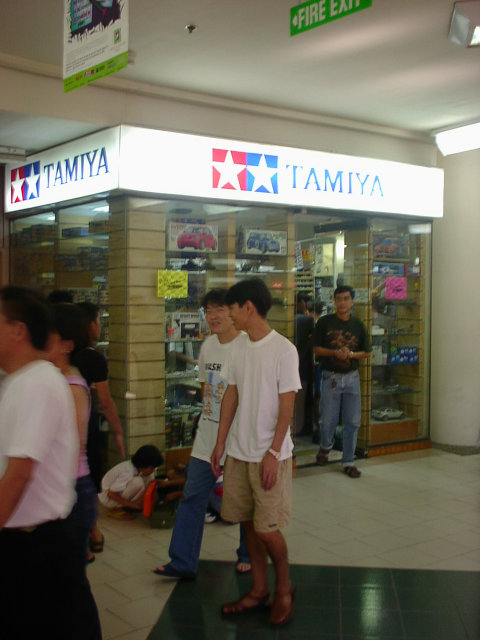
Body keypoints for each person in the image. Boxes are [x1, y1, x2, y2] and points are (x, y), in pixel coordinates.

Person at [0, 285, 102, 640]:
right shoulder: (18, 381)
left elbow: (19, 474)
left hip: (38, 541)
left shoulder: (37, 384)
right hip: (29, 537)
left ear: (18, 330)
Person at [211, 278, 301, 627]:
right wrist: (221, 442)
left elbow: (287, 405)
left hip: (269, 455)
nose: (229, 315)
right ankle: (259, 589)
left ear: (248, 308)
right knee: (248, 524)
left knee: (267, 529)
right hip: (240, 452)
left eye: (232, 309)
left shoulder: (283, 350)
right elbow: (231, 395)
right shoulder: (238, 347)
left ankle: (284, 588)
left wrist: (274, 452)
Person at [154, 288, 250, 579]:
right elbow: (206, 389)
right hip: (207, 436)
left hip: (239, 437)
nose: (213, 316)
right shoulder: (208, 345)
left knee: (243, 500)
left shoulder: (248, 346)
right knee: (192, 497)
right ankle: (182, 561)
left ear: (233, 311)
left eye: (219, 309)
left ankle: (247, 554)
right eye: (208, 311)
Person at [73, 301, 125, 550]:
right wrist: (118, 430)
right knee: (89, 476)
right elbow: (105, 401)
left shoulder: (61, 354)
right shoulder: (93, 358)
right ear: (89, 325)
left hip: (63, 425)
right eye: (97, 321)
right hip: (85, 424)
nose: (99, 326)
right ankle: (93, 531)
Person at [49, 302, 98, 564]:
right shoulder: (52, 378)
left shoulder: (72, 386)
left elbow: (75, 446)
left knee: (70, 574)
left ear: (66, 345)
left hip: (72, 486)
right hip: (62, 484)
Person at [313, 285, 371, 477]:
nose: (342, 302)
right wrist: (334, 353)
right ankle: (326, 446)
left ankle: (348, 461)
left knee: (352, 421)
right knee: (327, 421)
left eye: (346, 298)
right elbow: (316, 349)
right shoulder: (324, 322)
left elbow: (366, 352)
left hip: (352, 378)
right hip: (330, 377)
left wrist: (351, 354)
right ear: (334, 301)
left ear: (352, 302)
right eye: (339, 299)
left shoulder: (358, 325)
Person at [98, 444, 163, 519]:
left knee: (149, 477)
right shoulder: (127, 471)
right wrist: (131, 504)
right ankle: (116, 510)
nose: (153, 470)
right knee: (138, 482)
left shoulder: (138, 468)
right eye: (151, 468)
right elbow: (111, 494)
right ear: (143, 464)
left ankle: (128, 506)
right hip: (107, 498)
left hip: (114, 494)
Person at [293, 294, 314, 435]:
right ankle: (299, 428)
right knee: (301, 400)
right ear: (300, 303)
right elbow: (312, 342)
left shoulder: (288, 319)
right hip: (303, 365)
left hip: (293, 365)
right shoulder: (307, 320)